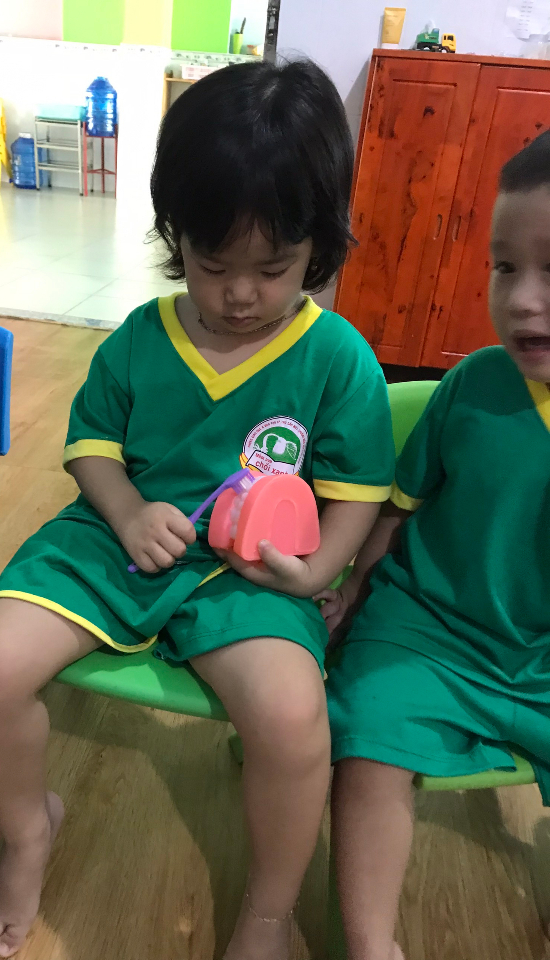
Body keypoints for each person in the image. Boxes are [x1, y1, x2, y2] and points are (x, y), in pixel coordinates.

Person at [0, 59, 396, 960]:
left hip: (251, 578)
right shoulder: (139, 337)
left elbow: (357, 491)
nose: (239, 294)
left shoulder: (338, 358)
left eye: (273, 269)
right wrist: (125, 510)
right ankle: (29, 831)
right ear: (175, 237)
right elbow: (91, 446)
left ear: (319, 247)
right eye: (211, 263)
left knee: (293, 719)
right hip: (113, 543)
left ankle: (268, 912)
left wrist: (317, 572)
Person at [320, 130, 550, 960]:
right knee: (369, 747)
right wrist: (355, 593)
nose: (523, 299)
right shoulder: (471, 387)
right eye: (505, 267)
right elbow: (395, 509)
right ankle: (370, 943)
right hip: (427, 631)